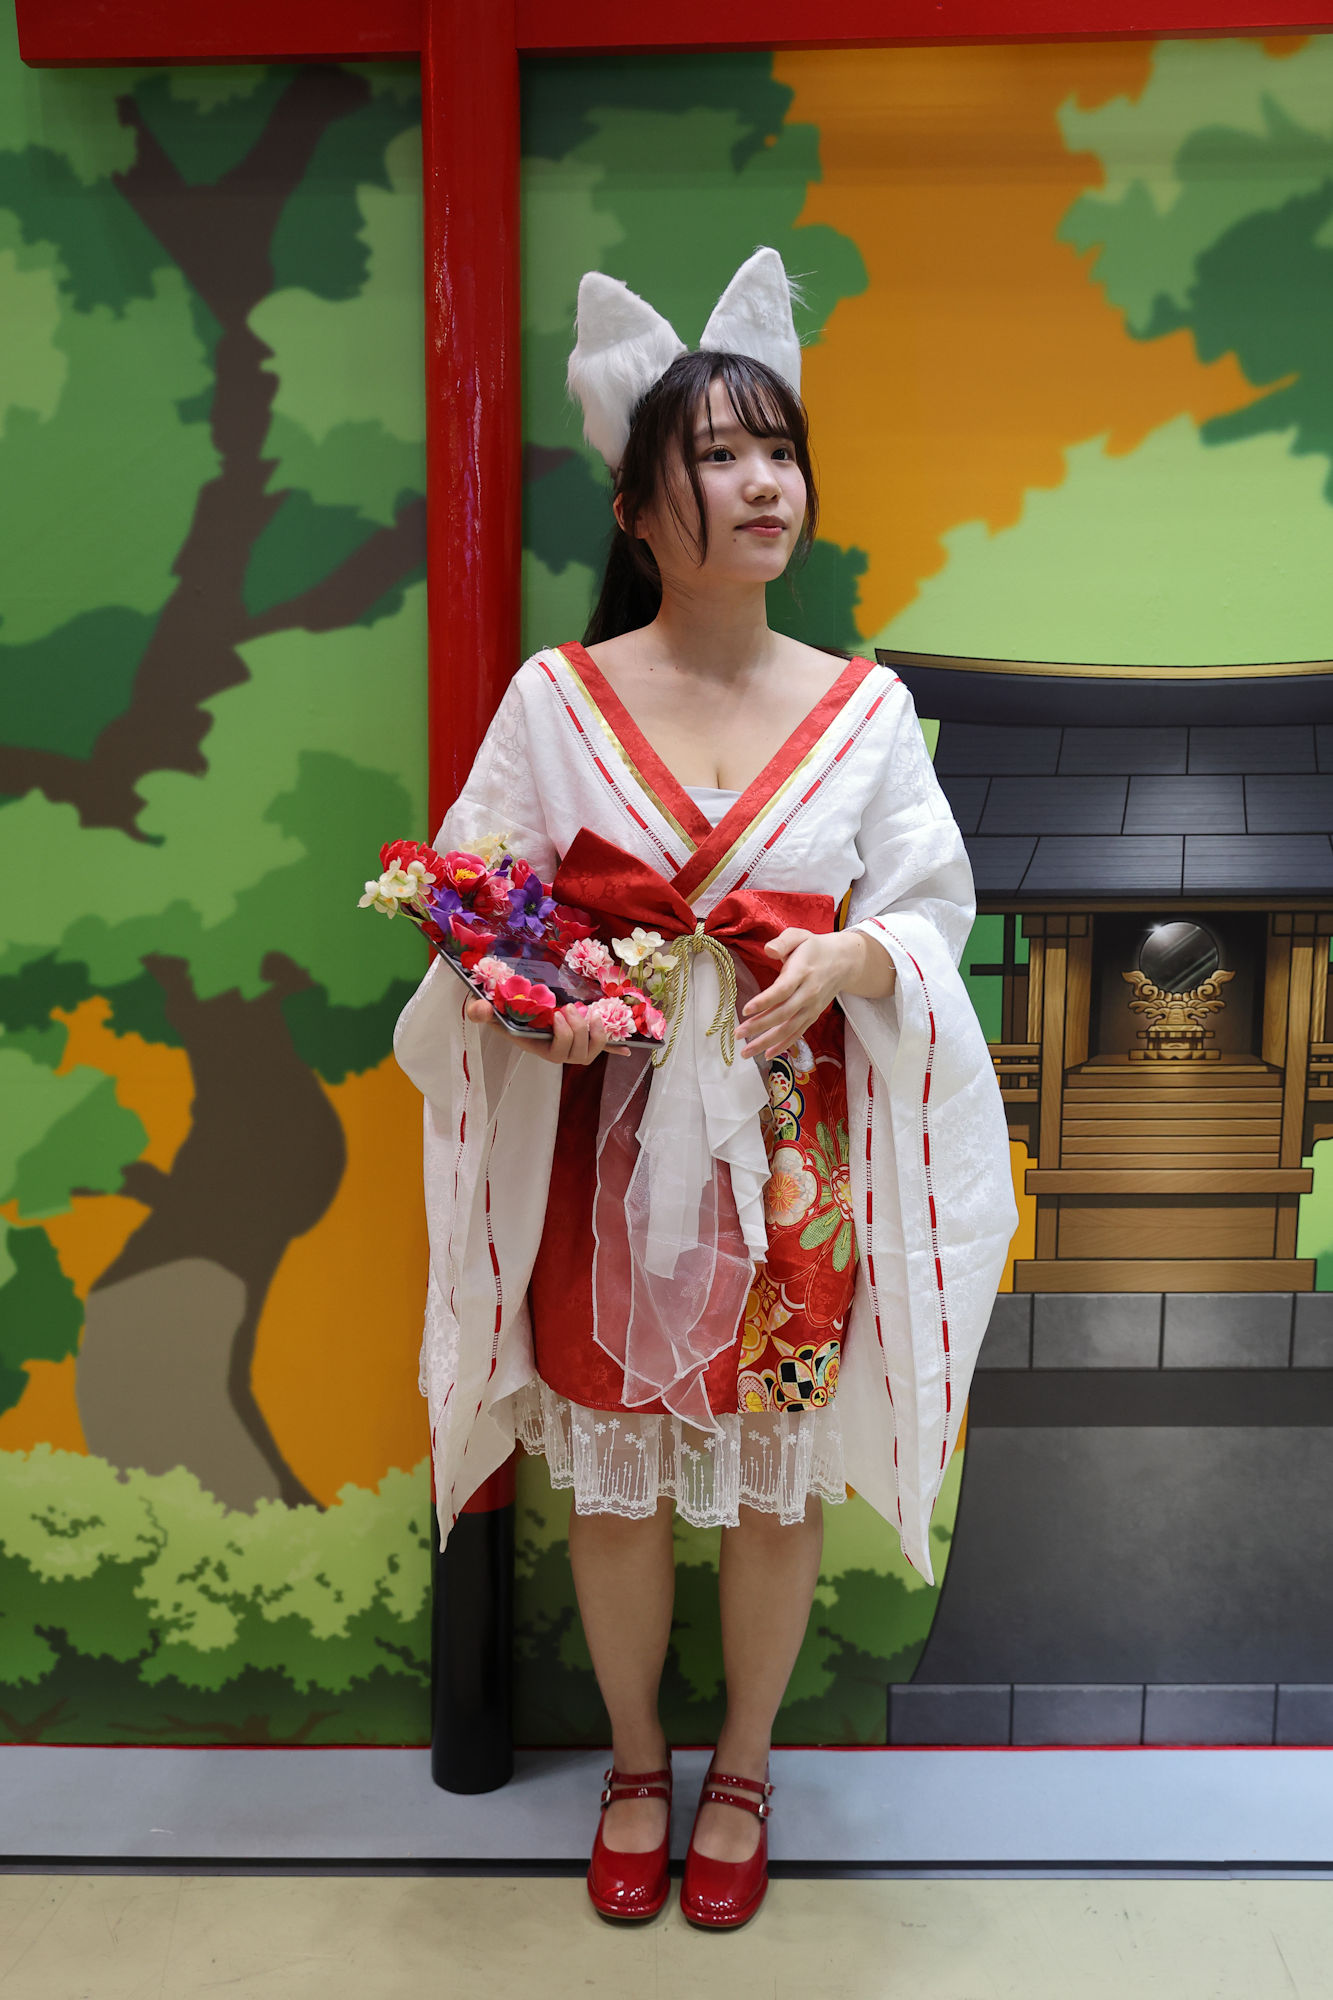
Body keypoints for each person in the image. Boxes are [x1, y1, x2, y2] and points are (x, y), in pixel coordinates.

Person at [393, 249, 1018, 1930]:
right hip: (600, 1159)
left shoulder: (864, 709)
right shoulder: (556, 700)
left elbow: (930, 909)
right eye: (718, 455)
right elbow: (478, 904)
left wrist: (851, 960)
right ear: (635, 506)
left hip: (791, 1157)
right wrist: (539, 1008)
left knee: (770, 1483)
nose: (762, 484)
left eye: (778, 451)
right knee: (609, 1484)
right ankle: (631, 1759)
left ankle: (740, 1763)